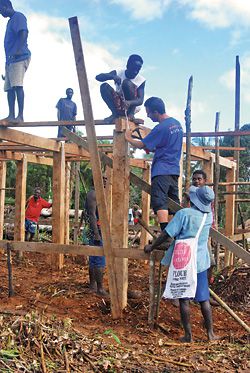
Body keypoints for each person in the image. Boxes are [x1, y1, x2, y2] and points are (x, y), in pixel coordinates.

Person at [144, 186, 218, 342]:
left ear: (192, 200)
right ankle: (210, 334)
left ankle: (188, 335)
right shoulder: (208, 217)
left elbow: (166, 234)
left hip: (184, 261)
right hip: (201, 262)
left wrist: (152, 246)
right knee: (203, 299)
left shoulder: (183, 214)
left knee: (184, 299)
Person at [125, 96, 183, 232]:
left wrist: (128, 138)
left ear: (156, 112)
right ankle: (174, 232)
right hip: (174, 170)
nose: (148, 116)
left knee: (160, 202)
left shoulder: (160, 128)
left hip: (161, 170)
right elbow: (161, 145)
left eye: (149, 113)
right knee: (173, 203)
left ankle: (165, 233)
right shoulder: (177, 125)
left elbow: (141, 144)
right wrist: (149, 146)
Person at [0, 0, 31, 123]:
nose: (0, 13)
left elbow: (23, 33)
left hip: (19, 57)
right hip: (10, 60)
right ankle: (11, 115)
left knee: (17, 85)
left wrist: (17, 51)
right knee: (9, 88)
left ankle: (20, 116)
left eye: (0, 9)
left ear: (6, 6)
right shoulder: (10, 21)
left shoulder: (18, 16)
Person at [96, 54, 146, 124]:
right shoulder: (119, 72)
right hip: (119, 103)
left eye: (138, 69)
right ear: (127, 66)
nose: (135, 72)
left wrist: (129, 103)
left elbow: (140, 100)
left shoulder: (141, 80)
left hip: (131, 107)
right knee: (104, 86)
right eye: (133, 68)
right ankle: (115, 114)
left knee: (127, 83)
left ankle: (131, 115)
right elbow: (98, 77)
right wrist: (112, 76)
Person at [79, 176, 107, 296]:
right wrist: (96, 233)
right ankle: (100, 289)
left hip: (98, 229)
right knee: (99, 259)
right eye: (103, 179)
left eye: (106, 179)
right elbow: (91, 215)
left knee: (94, 258)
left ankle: (93, 285)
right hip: (97, 231)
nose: (105, 181)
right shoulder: (93, 194)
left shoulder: (97, 194)